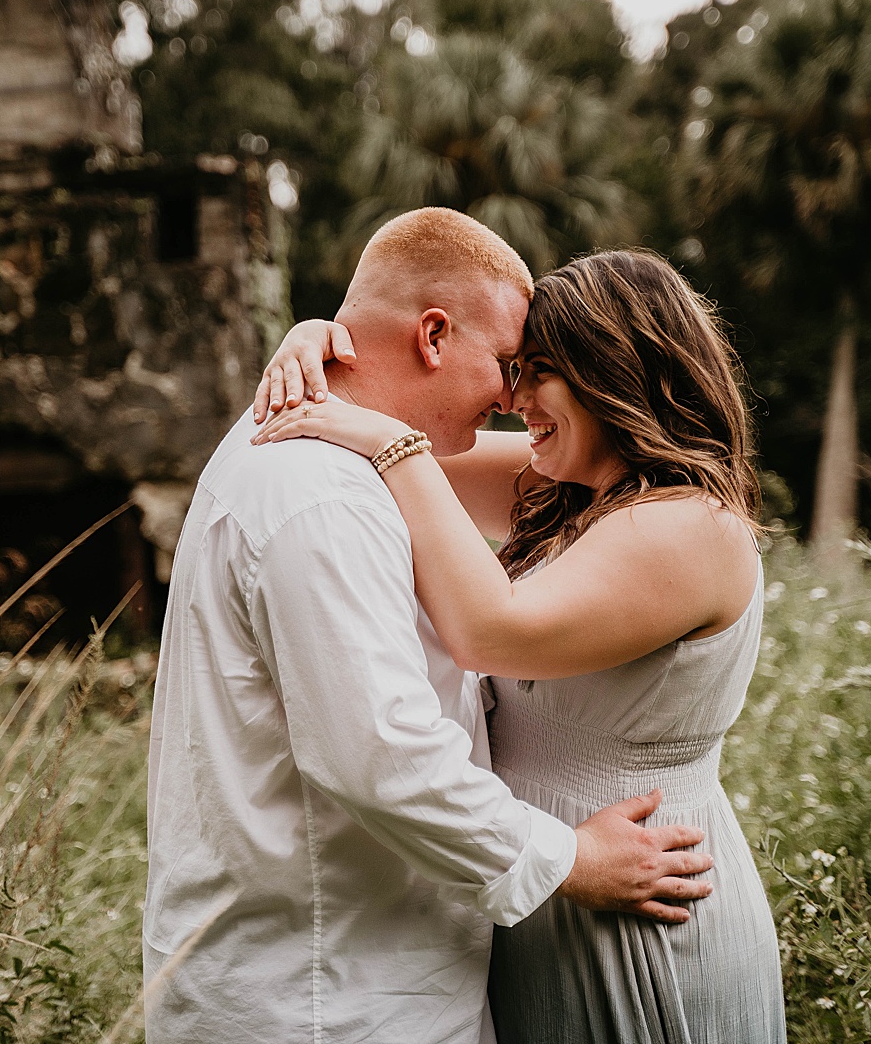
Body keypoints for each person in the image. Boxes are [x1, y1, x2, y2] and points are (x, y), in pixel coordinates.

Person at [144, 211, 716, 1044]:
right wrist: (574, 860)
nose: (512, 399)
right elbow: (384, 755)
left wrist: (321, 336)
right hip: (323, 997)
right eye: (507, 363)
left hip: (355, 973)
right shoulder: (324, 495)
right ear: (435, 335)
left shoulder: (342, 452)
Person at [253, 246, 786, 1043]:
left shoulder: (695, 528)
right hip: (556, 887)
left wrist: (390, 446)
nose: (512, 395)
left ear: (616, 372)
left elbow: (487, 628)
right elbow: (407, 426)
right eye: (515, 366)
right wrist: (321, 341)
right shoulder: (570, 490)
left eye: (540, 371)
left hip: (644, 907)